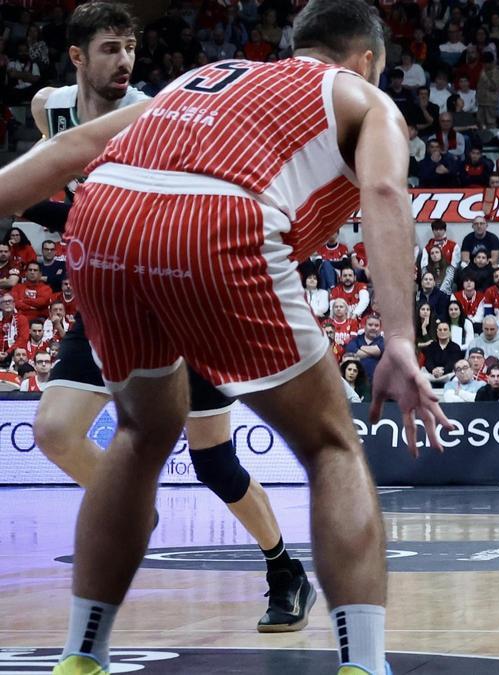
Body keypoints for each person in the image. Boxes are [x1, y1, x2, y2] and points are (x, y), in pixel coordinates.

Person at [0, 2, 450, 673]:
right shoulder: (364, 98)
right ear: (366, 60)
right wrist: (401, 341)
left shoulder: (204, 76)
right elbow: (385, 190)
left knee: (139, 433)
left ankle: (81, 654)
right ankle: (364, 662)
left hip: (104, 220)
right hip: (218, 226)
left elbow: (69, 150)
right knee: (330, 445)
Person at [18, 0, 330, 645]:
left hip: (183, 292)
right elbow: (64, 193)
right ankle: (134, 505)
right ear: (77, 57)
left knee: (215, 461)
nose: (124, 60)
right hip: (115, 291)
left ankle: (285, 570)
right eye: (110, 48)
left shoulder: (157, 108)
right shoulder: (51, 107)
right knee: (52, 430)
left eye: (129, 47)